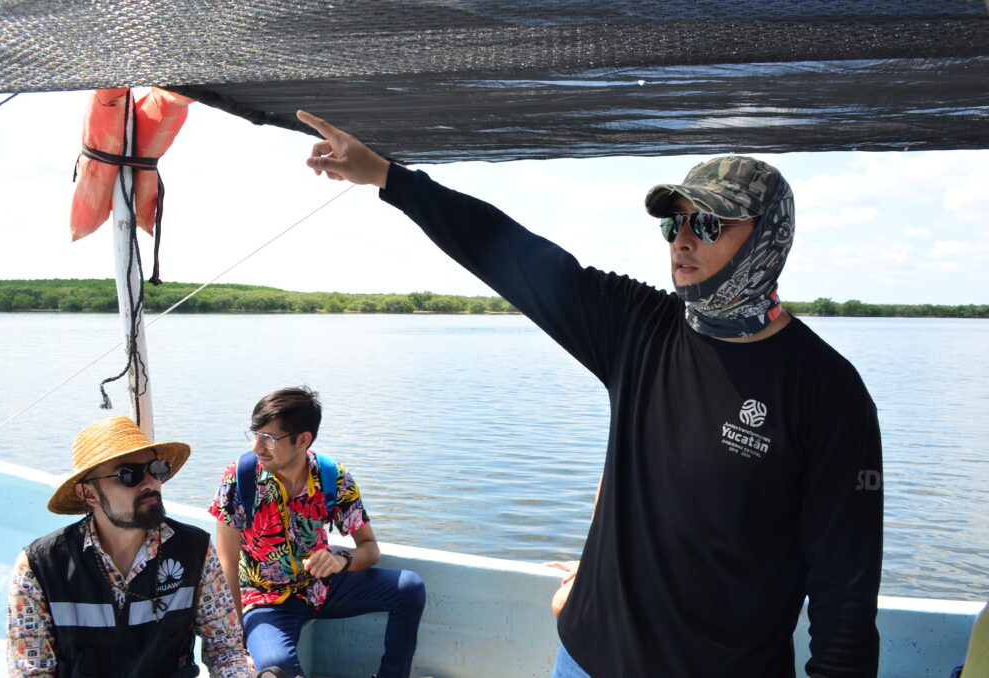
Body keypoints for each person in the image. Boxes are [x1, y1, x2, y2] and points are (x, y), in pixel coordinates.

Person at [293, 110, 884, 677]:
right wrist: (387, 177)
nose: (682, 241)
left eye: (707, 224)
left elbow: (845, 593)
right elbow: (511, 255)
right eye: (673, 223)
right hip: (584, 659)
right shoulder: (637, 328)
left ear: (769, 237)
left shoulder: (829, 392)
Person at [6, 416, 253, 678]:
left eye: (156, 469)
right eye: (128, 475)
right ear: (89, 494)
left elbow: (225, 650)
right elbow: (31, 672)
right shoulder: (39, 567)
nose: (150, 483)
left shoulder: (195, 550)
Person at [209, 387, 426, 678]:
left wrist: (342, 561)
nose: (257, 447)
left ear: (303, 440)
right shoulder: (239, 478)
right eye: (255, 434)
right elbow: (227, 567)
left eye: (269, 438)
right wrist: (238, 644)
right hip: (266, 601)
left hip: (322, 587)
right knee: (278, 667)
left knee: (408, 587)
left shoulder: (332, 477)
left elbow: (370, 548)